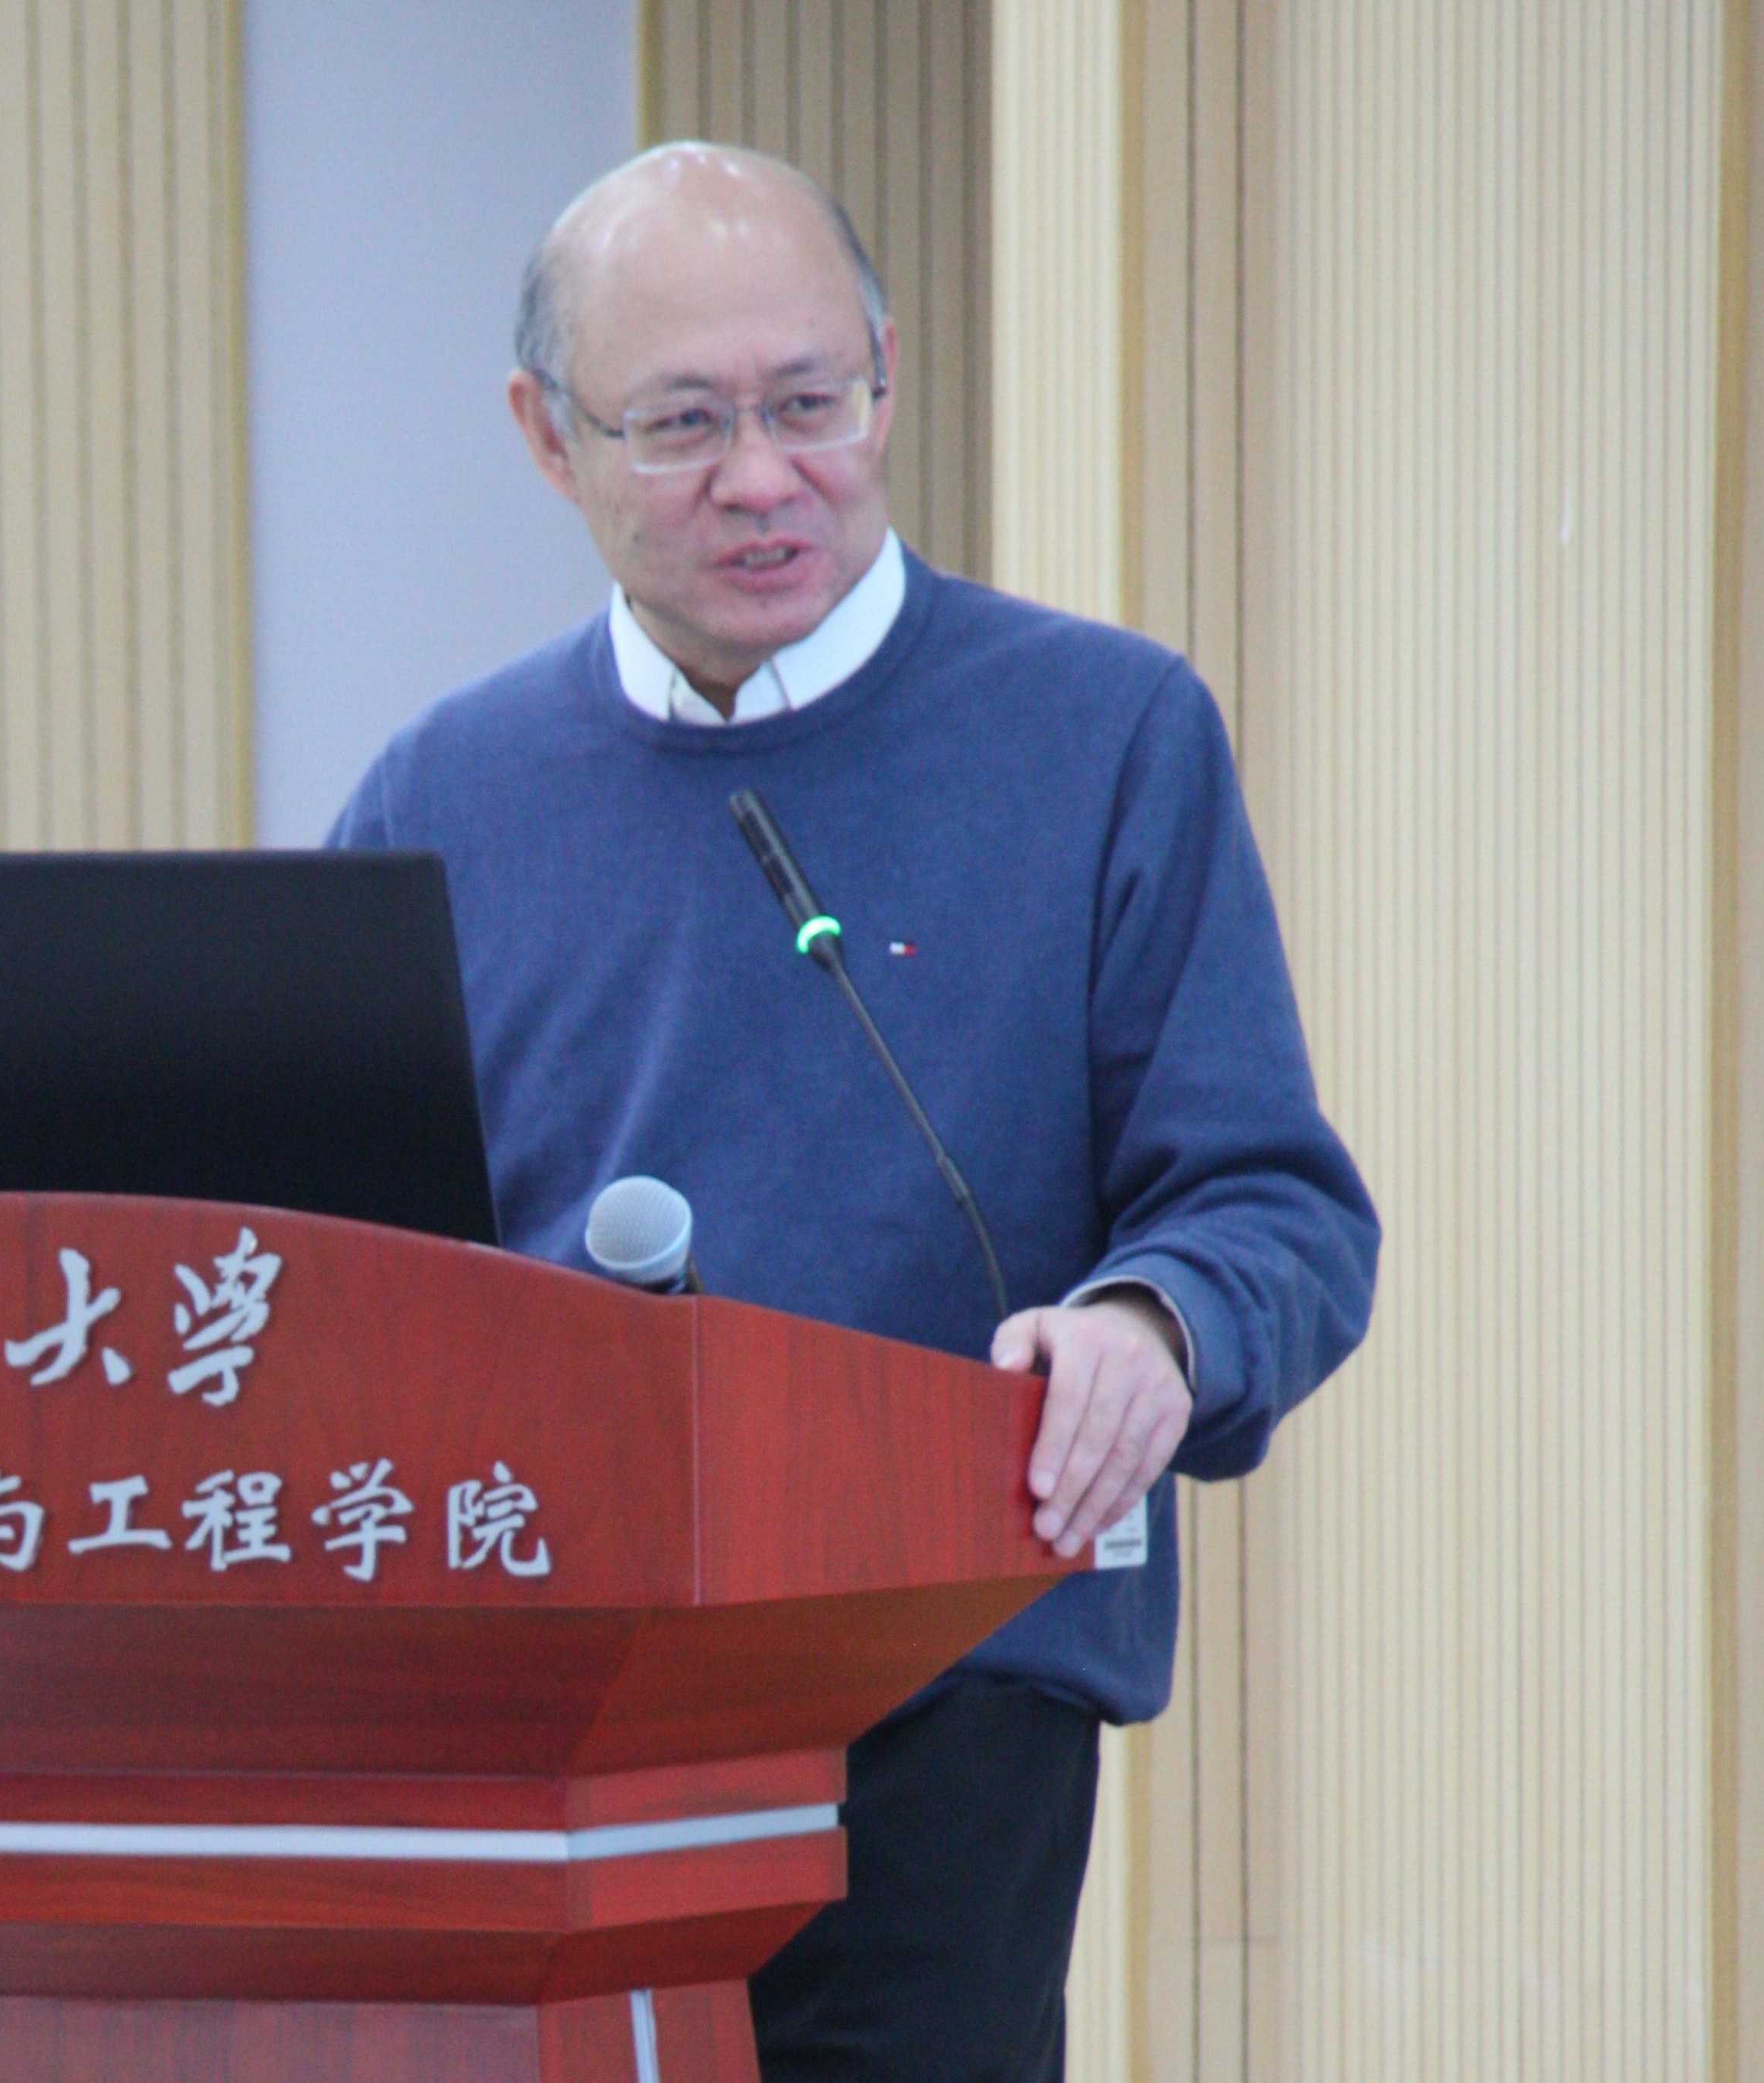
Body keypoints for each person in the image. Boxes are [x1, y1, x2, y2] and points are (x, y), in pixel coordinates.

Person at [326, 142, 1377, 2081]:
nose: (763, 475)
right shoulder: (439, 796)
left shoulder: (1103, 733)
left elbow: (1275, 1206)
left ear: (887, 379)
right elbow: (342, 1280)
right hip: (554, 1717)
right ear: (547, 438)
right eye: (682, 424)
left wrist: (1152, 1328)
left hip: (944, 1689)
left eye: (811, 402)